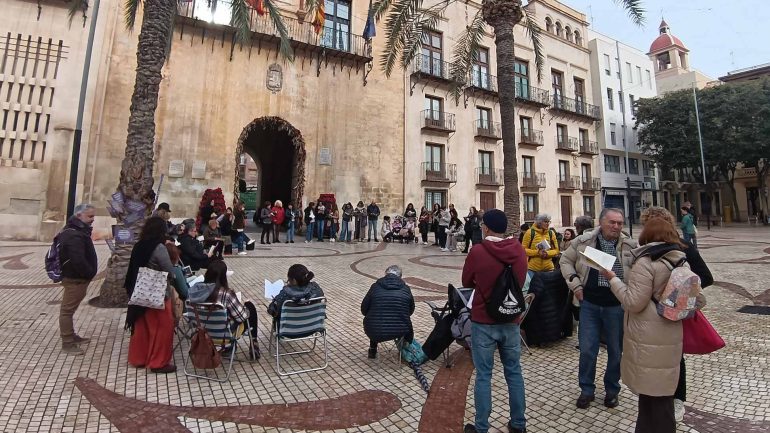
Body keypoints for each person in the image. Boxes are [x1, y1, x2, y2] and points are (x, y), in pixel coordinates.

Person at [601, 217, 705, 433]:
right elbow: (699, 299)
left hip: (648, 337)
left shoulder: (647, 262)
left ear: (647, 235)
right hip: (671, 333)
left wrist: (612, 279)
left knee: (653, 398)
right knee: (661, 393)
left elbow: (633, 302)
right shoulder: (681, 260)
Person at [639, 206, 713, 423]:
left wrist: (677, 294)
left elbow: (705, 278)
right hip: (649, 318)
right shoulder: (643, 249)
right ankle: (656, 396)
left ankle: (677, 399)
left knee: (674, 358)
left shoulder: (684, 248)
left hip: (673, 315)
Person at [560, 208, 637, 410]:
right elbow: (565, 260)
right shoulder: (584, 241)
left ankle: (612, 390)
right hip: (589, 304)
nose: (616, 226)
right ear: (601, 222)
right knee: (587, 349)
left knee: (615, 350)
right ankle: (586, 389)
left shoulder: (630, 245)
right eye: (612, 222)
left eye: (620, 223)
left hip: (616, 306)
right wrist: (575, 284)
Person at [461, 209, 528, 433]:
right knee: (514, 372)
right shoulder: (518, 250)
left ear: (486, 227)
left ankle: (481, 427)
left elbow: (467, 281)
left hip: (484, 320)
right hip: (510, 319)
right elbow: (520, 280)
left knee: (484, 375)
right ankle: (518, 424)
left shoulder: (478, 251)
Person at [125, 216, 186, 373]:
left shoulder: (139, 245)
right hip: (156, 293)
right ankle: (158, 362)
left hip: (139, 292)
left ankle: (138, 358)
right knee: (163, 327)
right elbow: (169, 271)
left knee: (141, 327)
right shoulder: (158, 248)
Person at [190, 259, 260, 358]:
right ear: (223, 277)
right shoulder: (226, 294)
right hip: (223, 335)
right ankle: (254, 342)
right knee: (249, 306)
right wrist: (245, 309)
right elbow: (241, 317)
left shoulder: (193, 292)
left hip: (201, 332)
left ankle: (230, 348)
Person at [57, 203, 98, 355]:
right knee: (67, 310)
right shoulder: (74, 234)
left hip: (78, 278)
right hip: (75, 278)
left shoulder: (79, 231)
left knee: (69, 309)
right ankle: (67, 342)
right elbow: (77, 259)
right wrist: (88, 273)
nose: (93, 219)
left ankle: (71, 335)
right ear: (79, 216)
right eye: (90, 216)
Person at [361, 265, 415, 359]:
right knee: (403, 321)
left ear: (385, 274)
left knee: (375, 320)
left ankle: (373, 350)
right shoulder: (406, 289)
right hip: (400, 330)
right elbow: (410, 311)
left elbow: (364, 309)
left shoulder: (375, 287)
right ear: (400, 276)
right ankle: (403, 350)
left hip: (374, 331)